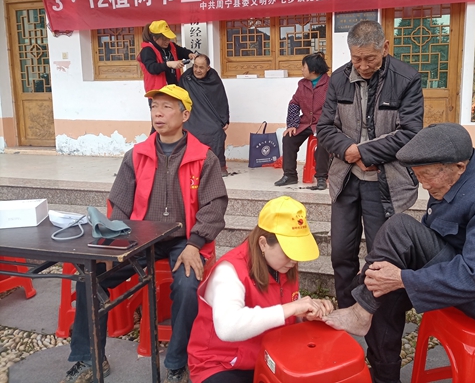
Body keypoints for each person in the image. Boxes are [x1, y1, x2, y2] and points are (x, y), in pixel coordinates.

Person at [324, 123, 475, 383]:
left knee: (394, 256)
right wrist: (392, 276)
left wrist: (403, 279)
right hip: (464, 269)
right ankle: (382, 369)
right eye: (418, 176)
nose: (424, 184)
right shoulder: (449, 178)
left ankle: (363, 311)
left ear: (459, 166)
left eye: (426, 176)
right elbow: (431, 235)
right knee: (383, 280)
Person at [61, 85, 228, 383]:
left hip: (183, 241)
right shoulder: (136, 155)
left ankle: (177, 362)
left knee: (188, 287)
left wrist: (195, 243)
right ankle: (90, 358)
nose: (158, 113)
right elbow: (120, 204)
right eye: (154, 107)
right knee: (90, 277)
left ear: (185, 115)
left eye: (166, 107)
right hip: (139, 238)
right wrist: (112, 244)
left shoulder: (204, 157)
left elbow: (214, 205)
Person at [316, 20, 424, 308]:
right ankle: (347, 310)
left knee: (381, 256)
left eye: (370, 59)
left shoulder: (406, 79)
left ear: (385, 48)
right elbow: (324, 127)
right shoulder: (338, 79)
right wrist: (349, 152)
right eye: (357, 59)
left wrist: (364, 153)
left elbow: (410, 132)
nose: (363, 66)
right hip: (346, 179)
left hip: (384, 183)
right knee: (341, 252)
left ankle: (379, 318)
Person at [187, 196, 334, 383]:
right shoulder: (229, 271)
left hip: (268, 354)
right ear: (263, 243)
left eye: (297, 251)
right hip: (223, 363)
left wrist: (305, 312)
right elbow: (227, 327)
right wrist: (291, 308)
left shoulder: (282, 264)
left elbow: (283, 302)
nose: (294, 260)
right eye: (289, 251)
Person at [274, 52, 331, 190]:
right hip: (305, 122)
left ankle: (321, 177)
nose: (301, 69)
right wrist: (292, 124)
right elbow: (294, 103)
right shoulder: (302, 84)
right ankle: (290, 175)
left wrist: (326, 124)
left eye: (303, 67)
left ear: (313, 69)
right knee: (288, 138)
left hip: (324, 123)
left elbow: (334, 107)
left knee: (323, 142)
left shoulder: (330, 84)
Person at [178, 54, 230, 177]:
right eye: (195, 66)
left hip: (210, 118)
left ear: (208, 68)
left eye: (201, 67)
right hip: (192, 117)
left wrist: (225, 119)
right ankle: (192, 167)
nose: (197, 70)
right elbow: (179, 98)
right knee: (189, 132)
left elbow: (221, 99)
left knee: (217, 131)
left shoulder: (213, 79)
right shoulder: (187, 78)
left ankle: (218, 166)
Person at [138, 20, 197, 93]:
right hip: (158, 92)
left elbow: (182, 51)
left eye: (168, 38)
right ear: (154, 38)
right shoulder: (147, 50)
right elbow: (152, 68)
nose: (167, 41)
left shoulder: (171, 46)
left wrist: (189, 54)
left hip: (174, 88)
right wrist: (169, 64)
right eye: (164, 39)